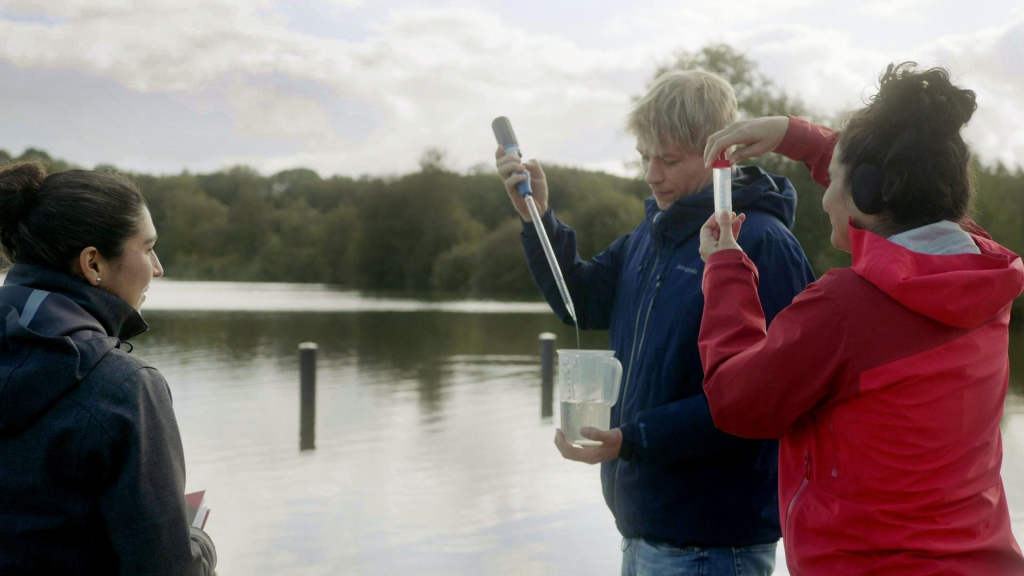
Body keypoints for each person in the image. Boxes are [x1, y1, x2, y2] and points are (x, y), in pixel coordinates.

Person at [698, 63, 1024, 574]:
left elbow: (735, 401)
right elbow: (904, 183)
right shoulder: (985, 274)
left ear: (869, 193)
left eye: (836, 182)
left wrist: (724, 273)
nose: (825, 194)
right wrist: (797, 136)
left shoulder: (847, 308)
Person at [495, 70, 816, 575]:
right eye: (646, 156)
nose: (652, 174)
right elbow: (580, 301)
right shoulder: (651, 237)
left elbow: (763, 402)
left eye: (668, 160)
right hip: (644, 527)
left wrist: (633, 438)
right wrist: (536, 217)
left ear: (721, 156)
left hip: (714, 544)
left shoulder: (763, 244)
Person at [0, 162, 217, 574]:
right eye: (148, 248)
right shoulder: (126, 389)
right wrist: (200, 544)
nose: (158, 268)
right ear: (93, 264)